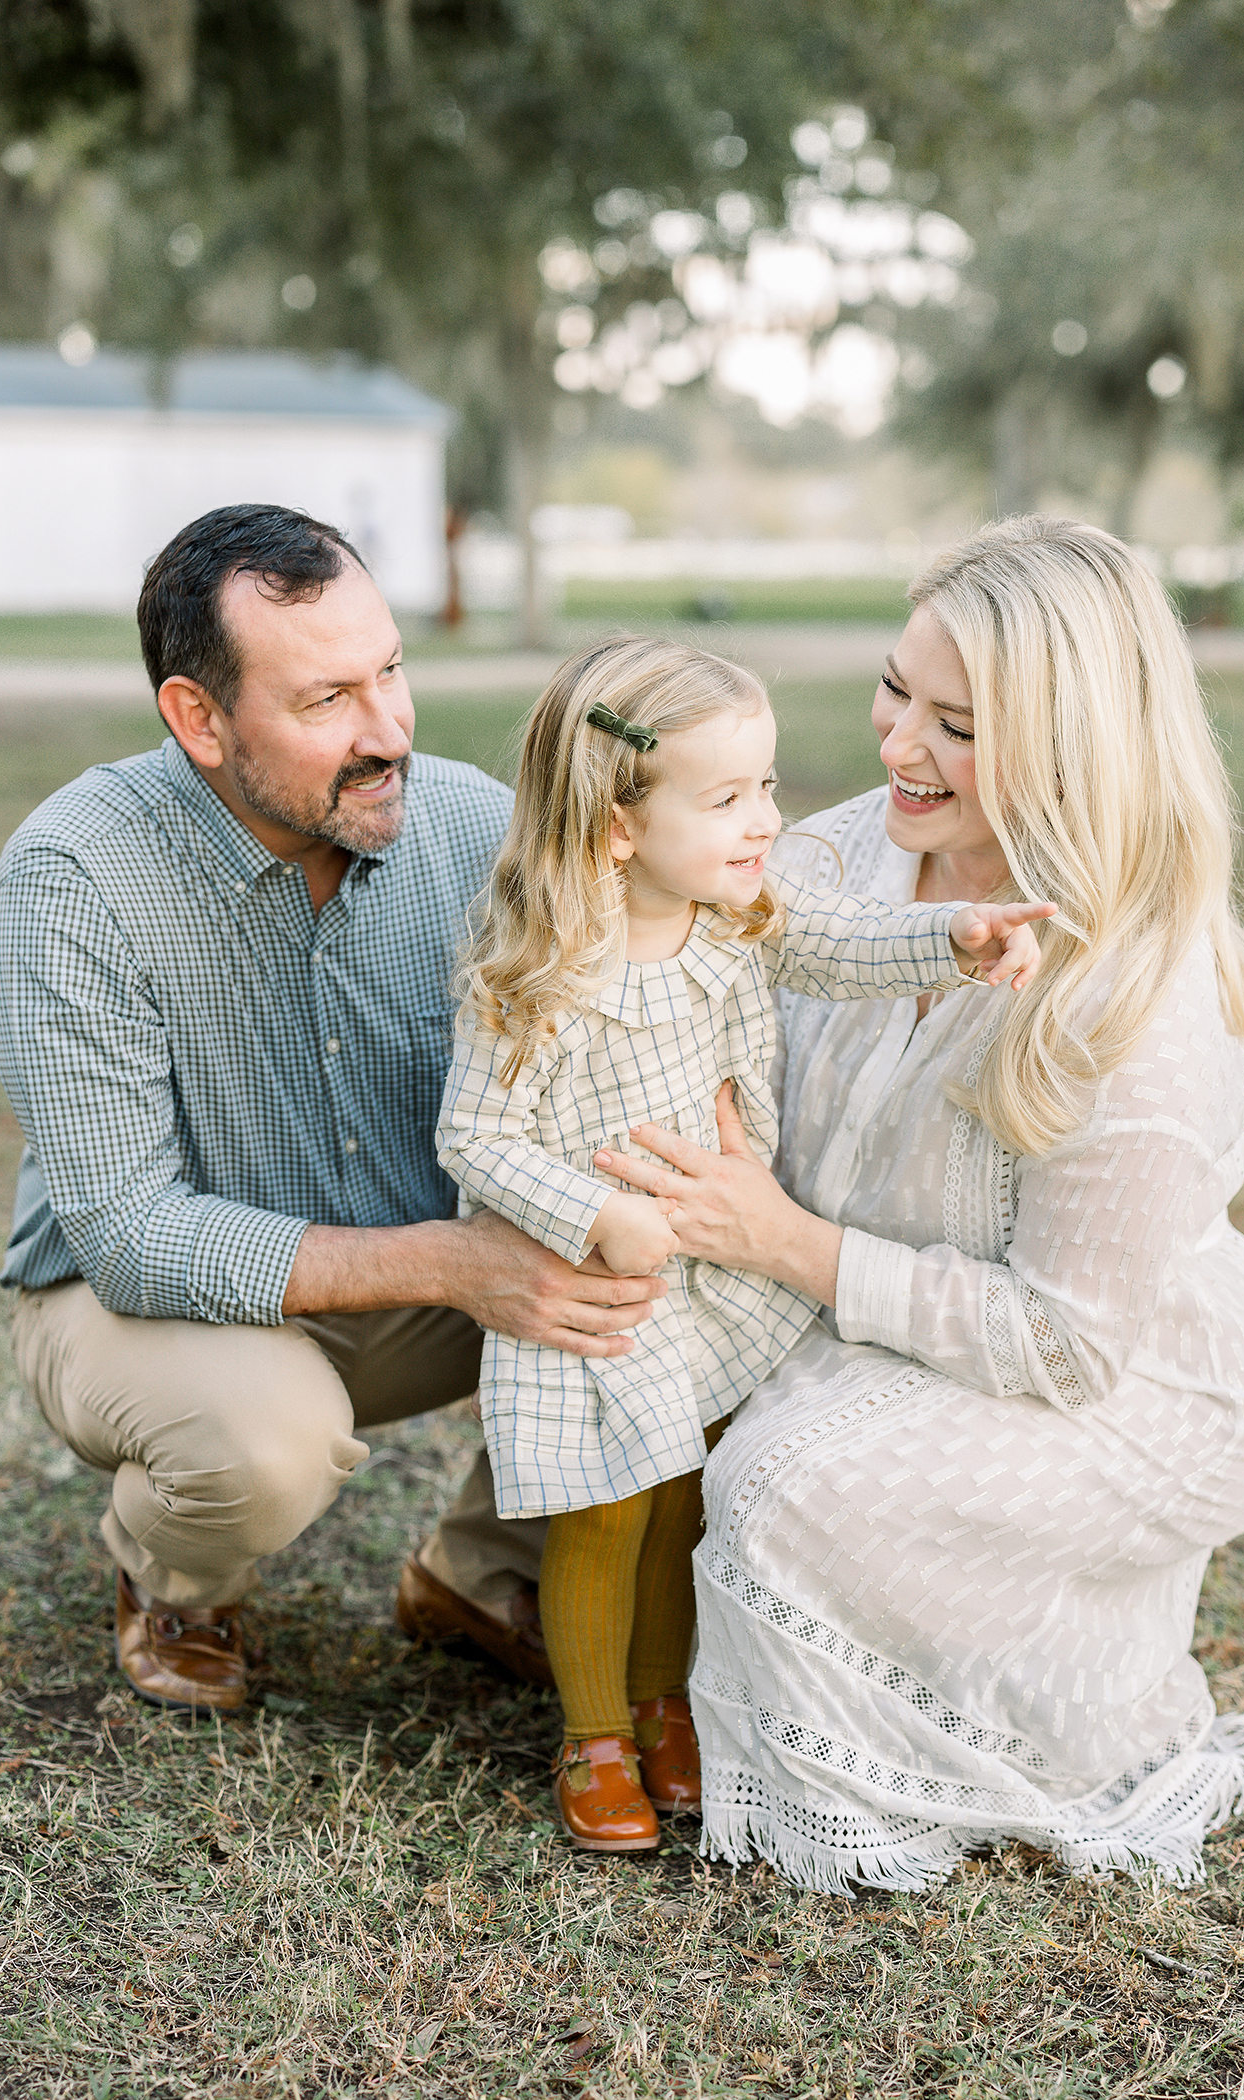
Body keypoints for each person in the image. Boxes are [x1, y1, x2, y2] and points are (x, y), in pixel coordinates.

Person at [595, 517, 1244, 1892]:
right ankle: (546, 1608)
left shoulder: (1142, 1000)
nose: (898, 749)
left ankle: (969, 1718)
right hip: (844, 1288)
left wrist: (782, 1243)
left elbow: (1065, 1342)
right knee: (617, 1366)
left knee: (777, 1494)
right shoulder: (826, 862)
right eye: (896, 691)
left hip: (1121, 1375)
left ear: (1072, 746)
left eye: (960, 726)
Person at [0, 504, 671, 1717]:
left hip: (424, 1284)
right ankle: (173, 1577)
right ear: (199, 718)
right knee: (262, 1439)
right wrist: (460, 1261)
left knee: (676, 1276)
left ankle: (479, 1568)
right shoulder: (74, 876)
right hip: (137, 1306)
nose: (388, 731)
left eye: (391, 671)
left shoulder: (474, 828)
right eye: (324, 703)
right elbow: (133, 1237)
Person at [436, 636, 1054, 1853]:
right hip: (598, 1295)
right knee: (609, 1513)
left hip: (709, 1281)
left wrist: (957, 939)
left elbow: (844, 944)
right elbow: (476, 1131)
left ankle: (668, 1706)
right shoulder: (540, 972)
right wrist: (587, 1216)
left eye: (766, 786)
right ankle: (594, 1734)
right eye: (727, 798)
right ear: (619, 824)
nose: (767, 819)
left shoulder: (735, 919)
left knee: (686, 1497)